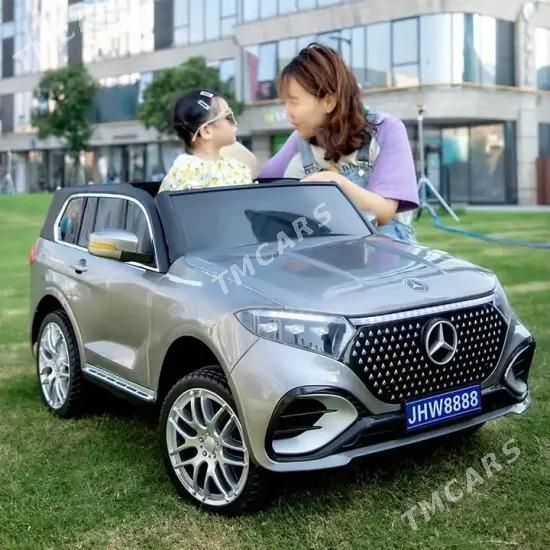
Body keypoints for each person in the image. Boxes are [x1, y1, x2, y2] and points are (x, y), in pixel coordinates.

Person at [258, 43, 419, 241]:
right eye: (285, 102)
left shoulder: (387, 129)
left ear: (328, 102)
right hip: (332, 245)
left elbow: (384, 212)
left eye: (294, 102)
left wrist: (336, 183)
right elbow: (261, 188)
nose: (287, 113)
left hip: (385, 246)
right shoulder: (299, 141)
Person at [159, 89, 253, 192]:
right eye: (228, 116)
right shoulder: (187, 171)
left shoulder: (237, 167)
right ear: (206, 131)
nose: (235, 123)